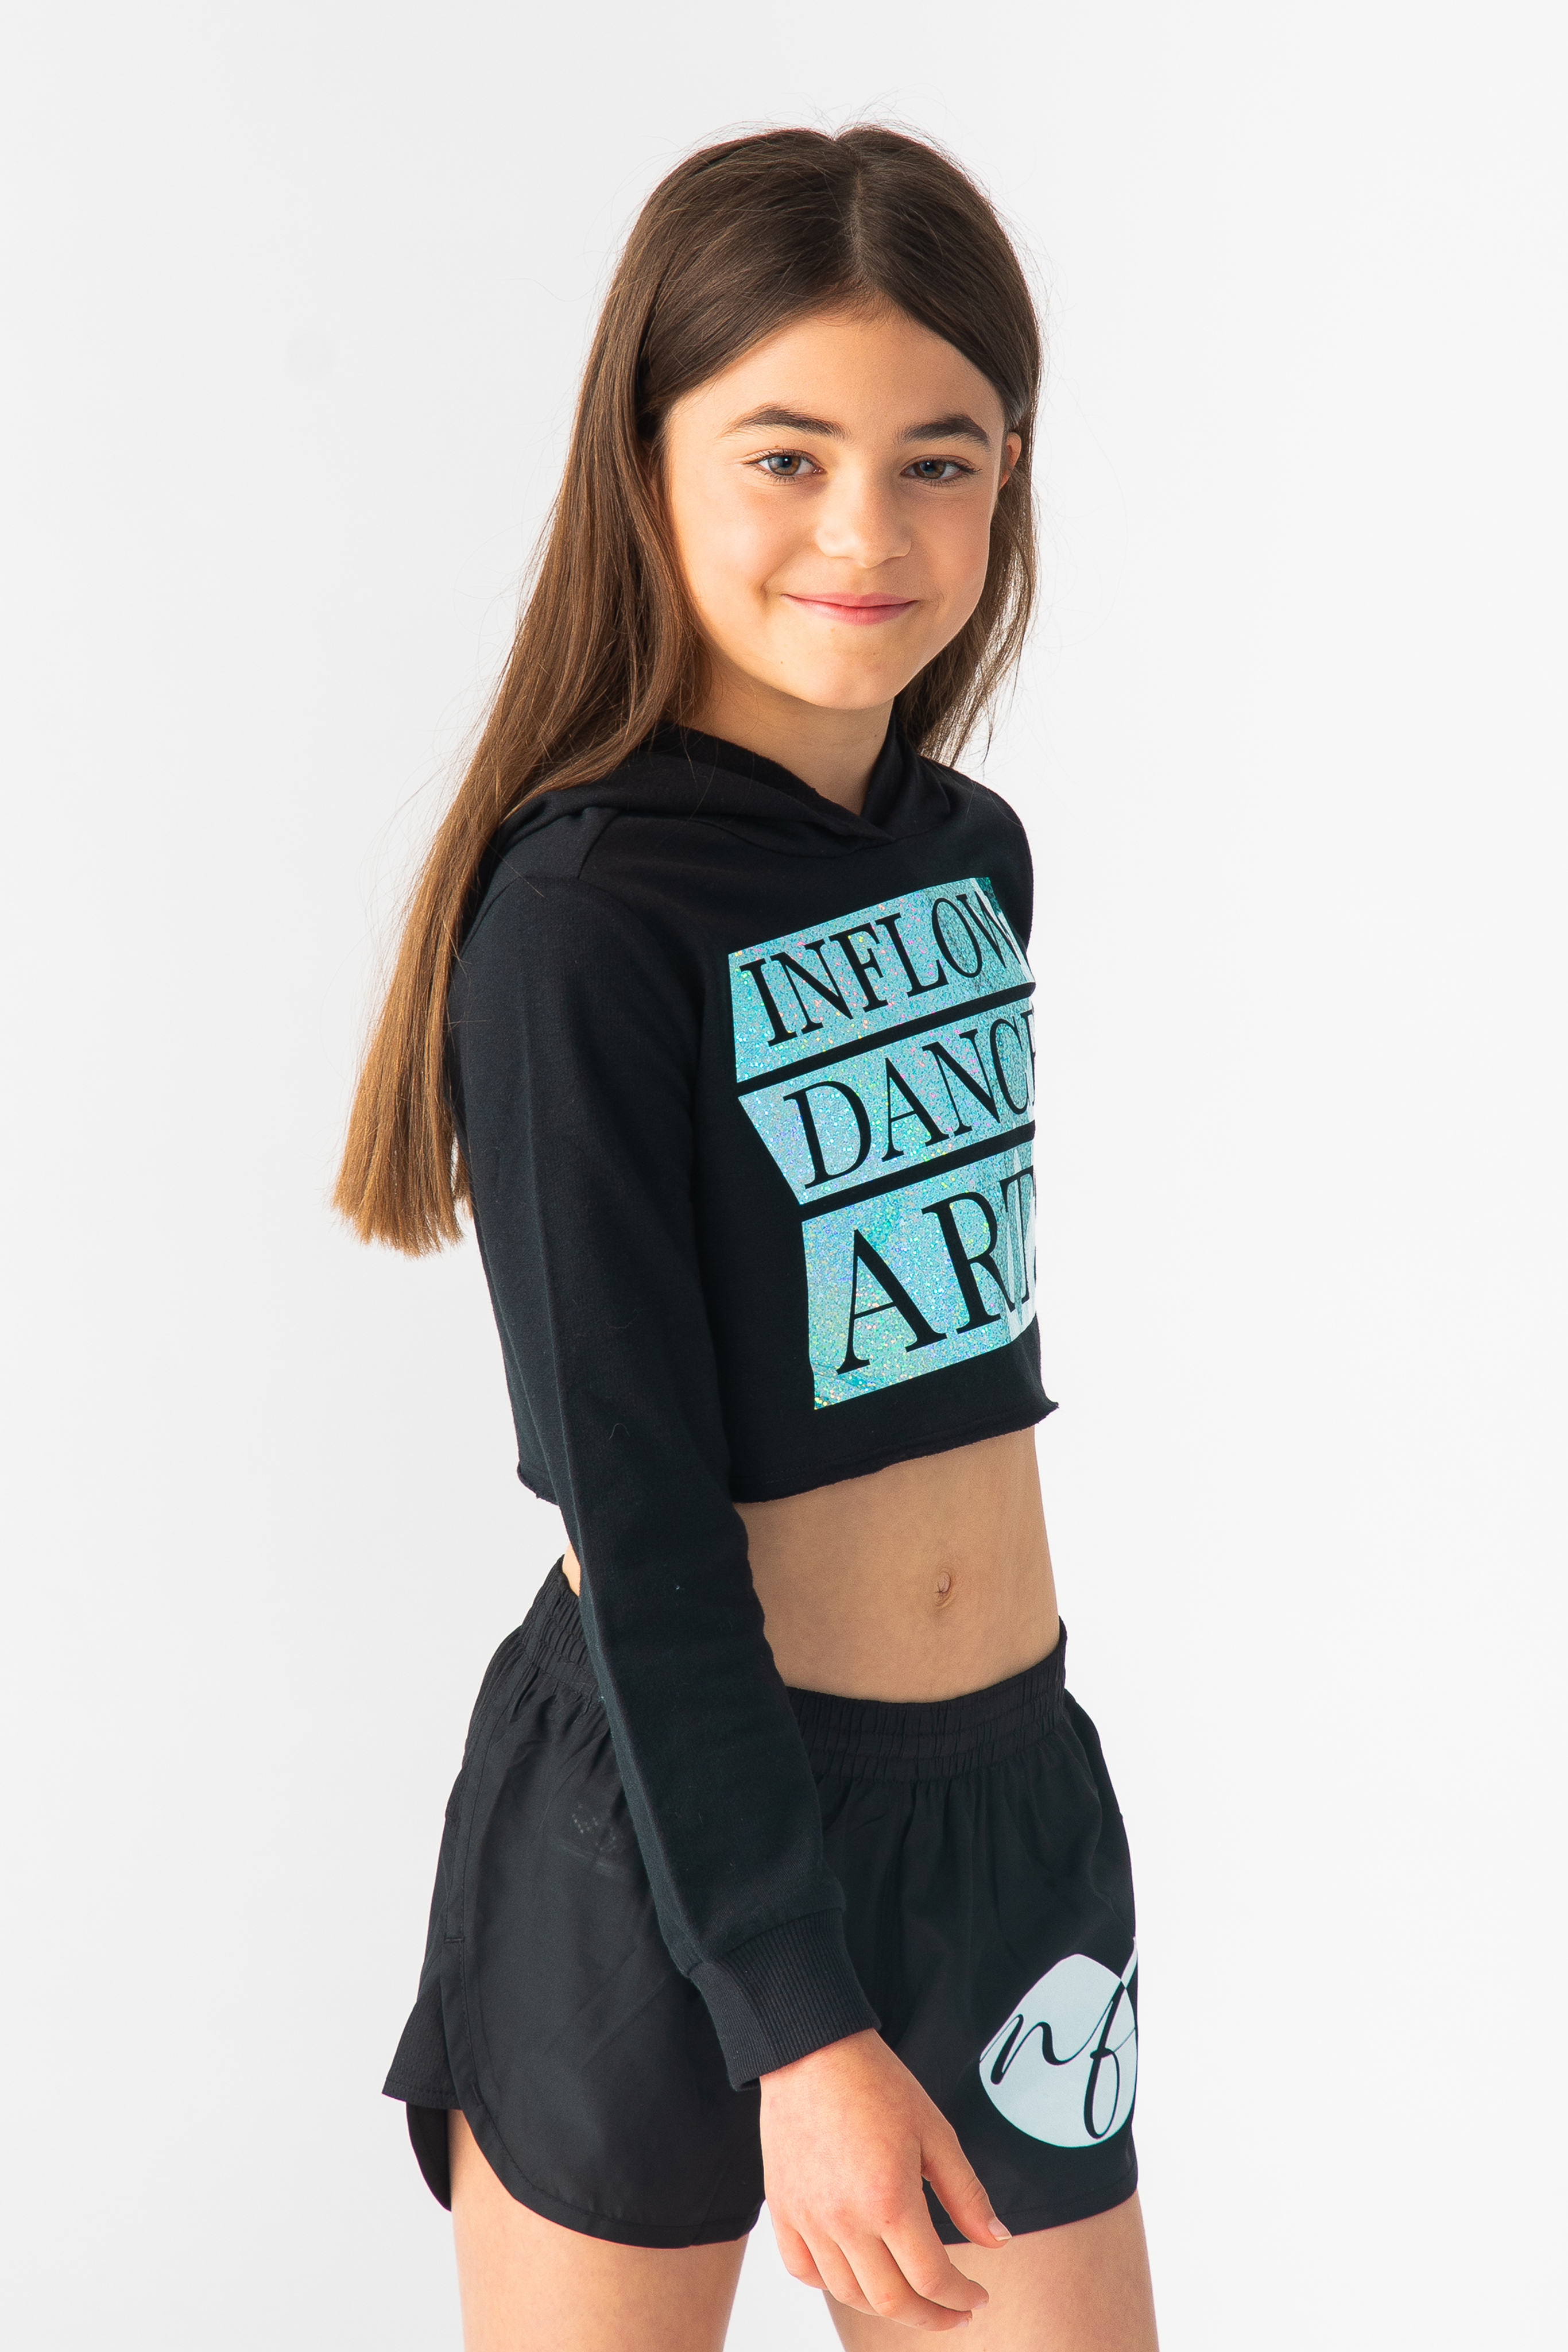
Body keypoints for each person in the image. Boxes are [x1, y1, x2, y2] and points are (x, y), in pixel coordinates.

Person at [336, 125, 1159, 2352]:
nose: (863, 530)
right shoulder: (582, 916)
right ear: (645, 462)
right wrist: (794, 2019)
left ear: (1006, 476)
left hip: (997, 1803)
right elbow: (641, 1511)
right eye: (784, 455)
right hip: (676, 1827)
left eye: (936, 459)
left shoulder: (967, 856)